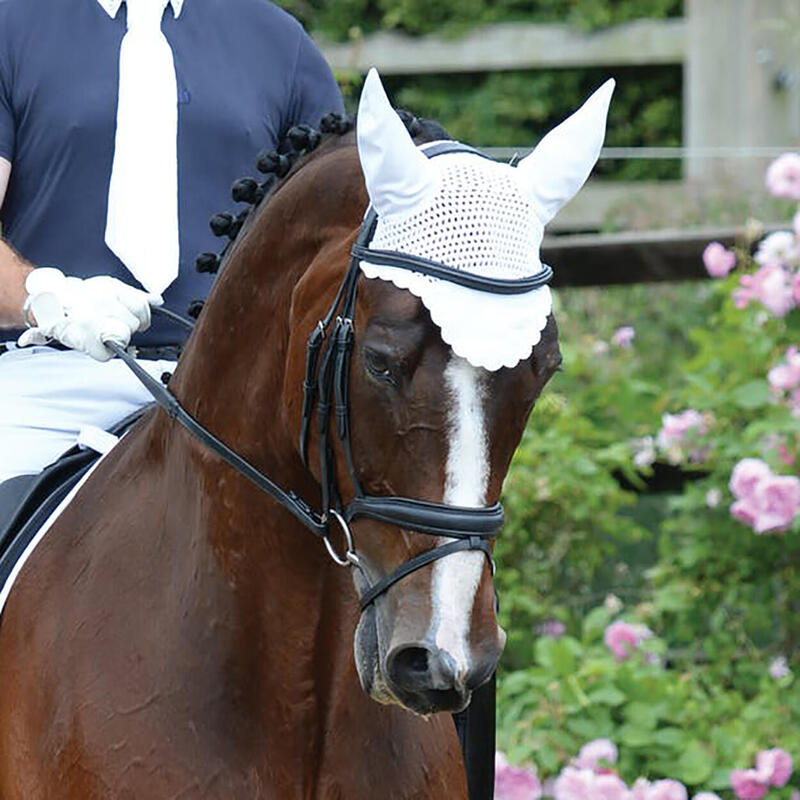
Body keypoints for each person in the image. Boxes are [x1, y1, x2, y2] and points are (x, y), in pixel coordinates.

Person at [0, 0, 344, 484]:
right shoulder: (11, 26)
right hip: (46, 383)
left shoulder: (281, 42)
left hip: (231, 395)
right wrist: (48, 299)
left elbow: (331, 247)